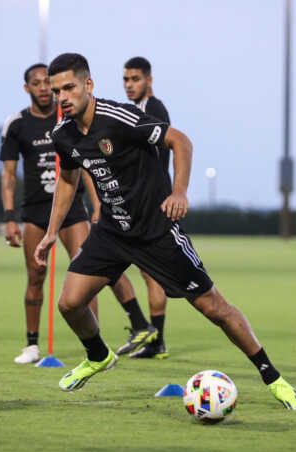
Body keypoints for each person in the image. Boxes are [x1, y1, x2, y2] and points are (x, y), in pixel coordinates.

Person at [34, 53, 296, 410]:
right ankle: (98, 356)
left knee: (215, 309)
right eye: (57, 92)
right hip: (112, 233)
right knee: (69, 303)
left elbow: (181, 141)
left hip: (157, 233)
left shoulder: (119, 117)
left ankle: (273, 378)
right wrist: (52, 231)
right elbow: (68, 182)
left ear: (89, 85)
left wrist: (179, 192)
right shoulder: (63, 134)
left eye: (69, 87)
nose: (62, 97)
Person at [0, 63, 153, 364]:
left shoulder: (69, 117)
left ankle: (99, 346)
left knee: (90, 271)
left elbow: (85, 168)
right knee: (35, 275)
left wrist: (98, 206)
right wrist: (8, 216)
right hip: (34, 211)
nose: (45, 89)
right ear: (27, 88)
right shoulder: (17, 124)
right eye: (38, 83)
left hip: (73, 211)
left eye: (50, 83)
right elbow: (8, 175)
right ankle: (31, 346)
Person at [114, 56, 173, 359]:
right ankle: (150, 335)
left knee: (151, 274)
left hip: (150, 203)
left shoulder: (153, 109)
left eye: (135, 79)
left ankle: (152, 336)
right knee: (148, 274)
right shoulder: (136, 111)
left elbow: (162, 149)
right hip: (137, 202)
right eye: (125, 79)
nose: (129, 85)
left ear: (149, 80)